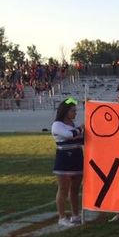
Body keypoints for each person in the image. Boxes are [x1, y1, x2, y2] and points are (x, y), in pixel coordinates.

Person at [52, 97, 84, 227]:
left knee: (75, 189)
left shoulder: (74, 125)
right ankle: (62, 217)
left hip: (77, 158)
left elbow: (81, 139)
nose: (75, 113)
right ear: (65, 111)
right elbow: (69, 135)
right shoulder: (57, 125)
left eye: (75, 110)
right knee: (63, 189)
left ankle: (75, 215)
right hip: (64, 159)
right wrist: (82, 128)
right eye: (72, 110)